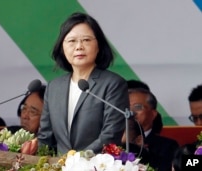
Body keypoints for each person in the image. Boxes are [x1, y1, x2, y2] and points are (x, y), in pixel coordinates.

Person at [37, 12, 129, 154]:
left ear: (98, 46)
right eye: (72, 41)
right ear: (62, 47)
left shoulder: (113, 84)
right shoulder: (54, 87)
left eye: (86, 40)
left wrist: (77, 161)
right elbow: (46, 138)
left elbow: (110, 136)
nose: (79, 46)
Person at [129, 88, 179, 171]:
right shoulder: (112, 142)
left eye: (137, 107)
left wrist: (140, 150)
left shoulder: (168, 146)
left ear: (153, 114)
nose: (130, 112)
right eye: (126, 107)